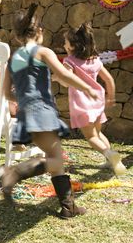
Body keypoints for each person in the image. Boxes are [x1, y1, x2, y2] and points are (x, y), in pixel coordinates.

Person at [0, 4, 98, 219]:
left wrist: (24, 99)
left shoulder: (12, 59)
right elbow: (64, 74)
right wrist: (87, 87)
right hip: (41, 111)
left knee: (54, 156)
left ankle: (68, 207)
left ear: (17, 35)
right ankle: (14, 172)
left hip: (27, 113)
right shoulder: (43, 52)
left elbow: (6, 94)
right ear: (39, 31)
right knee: (56, 159)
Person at [54, 23, 126, 175]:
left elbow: (67, 81)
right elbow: (109, 80)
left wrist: (57, 78)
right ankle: (112, 161)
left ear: (72, 46)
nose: (63, 44)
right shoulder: (95, 60)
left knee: (91, 137)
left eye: (65, 41)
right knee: (98, 133)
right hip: (97, 103)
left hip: (82, 105)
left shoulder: (69, 62)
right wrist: (111, 97)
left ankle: (109, 154)